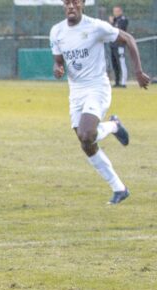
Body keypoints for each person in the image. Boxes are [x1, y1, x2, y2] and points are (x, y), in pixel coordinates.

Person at [50, 0, 150, 205]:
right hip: (76, 91)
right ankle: (119, 188)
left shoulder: (96, 26)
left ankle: (113, 126)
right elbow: (59, 62)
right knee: (86, 142)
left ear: (82, 4)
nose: (71, 6)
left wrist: (138, 71)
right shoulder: (56, 31)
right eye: (67, 2)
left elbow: (128, 38)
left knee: (87, 133)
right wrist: (58, 69)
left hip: (97, 87)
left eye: (75, 2)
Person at [108, 5, 129, 88]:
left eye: (117, 11)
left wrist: (112, 23)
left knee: (122, 63)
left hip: (120, 45)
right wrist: (111, 22)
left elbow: (118, 30)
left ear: (120, 11)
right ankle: (117, 82)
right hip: (113, 45)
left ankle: (123, 82)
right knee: (115, 64)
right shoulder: (114, 20)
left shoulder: (123, 19)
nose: (115, 13)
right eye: (114, 11)